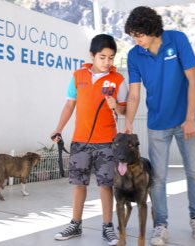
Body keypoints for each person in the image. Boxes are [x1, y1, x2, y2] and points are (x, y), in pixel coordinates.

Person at [122, 6, 195, 246]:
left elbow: (193, 80)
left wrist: (190, 118)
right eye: (132, 36)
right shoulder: (135, 55)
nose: (136, 41)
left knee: (194, 173)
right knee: (158, 178)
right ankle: (161, 225)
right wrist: (128, 121)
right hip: (157, 125)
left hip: (184, 121)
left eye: (139, 35)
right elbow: (135, 94)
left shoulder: (177, 40)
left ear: (152, 30)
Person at [51, 34, 127, 246]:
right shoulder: (78, 76)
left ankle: (107, 227)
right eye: (102, 57)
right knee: (78, 184)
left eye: (111, 58)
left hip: (107, 142)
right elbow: (69, 105)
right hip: (80, 141)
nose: (107, 62)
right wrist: (58, 129)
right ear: (92, 55)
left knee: (106, 185)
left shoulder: (118, 80)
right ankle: (75, 224)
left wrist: (117, 107)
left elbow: (124, 110)